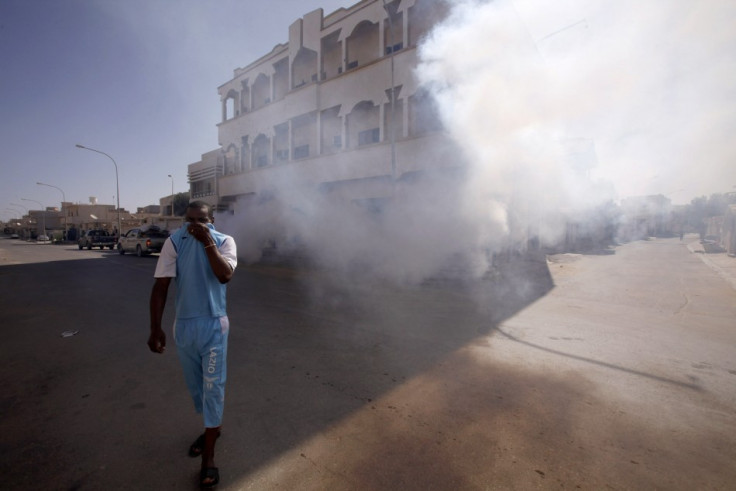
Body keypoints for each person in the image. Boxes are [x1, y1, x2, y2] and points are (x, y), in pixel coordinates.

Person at [148, 201, 237, 488]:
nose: (195, 226)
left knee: (214, 387)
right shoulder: (175, 241)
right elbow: (161, 286)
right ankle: (212, 429)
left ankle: (208, 459)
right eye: (190, 220)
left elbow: (224, 275)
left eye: (201, 220)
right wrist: (155, 327)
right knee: (197, 388)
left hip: (213, 325)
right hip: (184, 326)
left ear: (212, 219)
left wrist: (208, 242)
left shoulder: (225, 241)